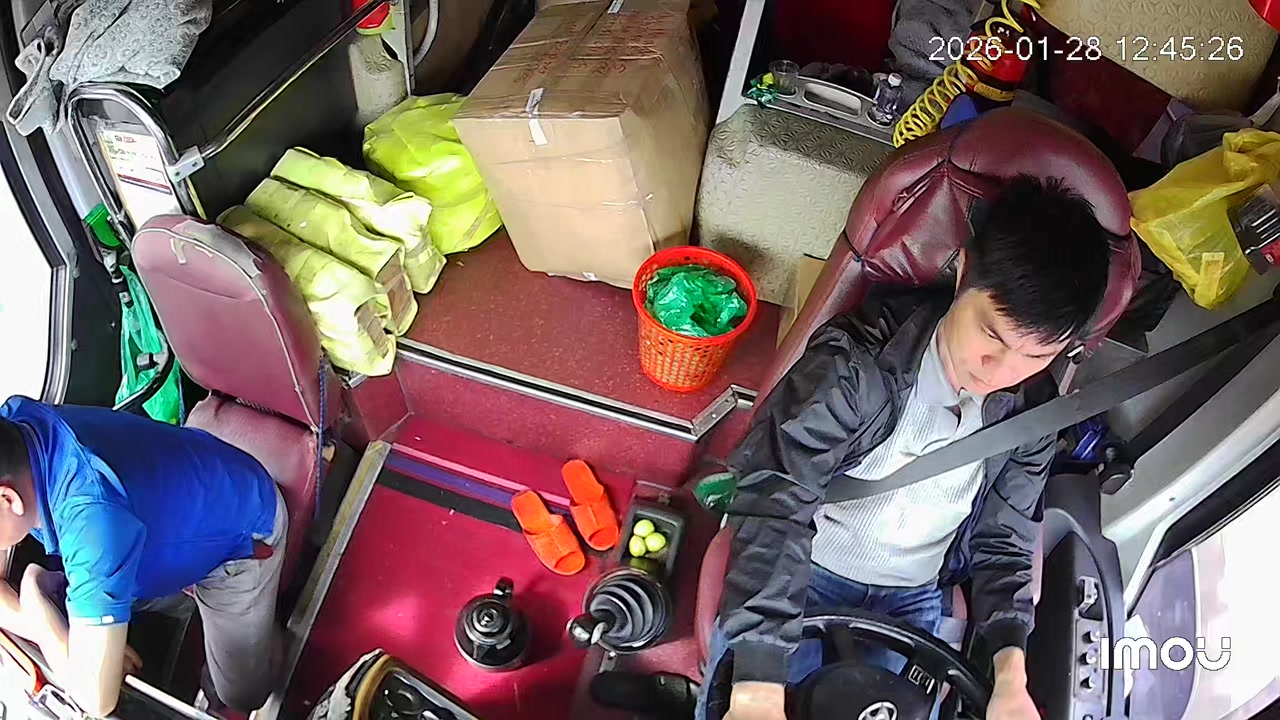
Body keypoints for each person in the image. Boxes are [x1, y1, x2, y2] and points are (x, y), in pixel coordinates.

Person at [701, 175, 1117, 720]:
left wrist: (1012, 679)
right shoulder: (857, 365)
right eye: (992, 334)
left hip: (915, 599)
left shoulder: (1032, 414)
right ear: (964, 272)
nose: (1001, 370)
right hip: (802, 571)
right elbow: (779, 495)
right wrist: (757, 686)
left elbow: (1005, 540)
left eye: (1035, 356)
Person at [0, 396, 287, 717]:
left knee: (242, 694)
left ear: (7, 498)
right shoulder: (14, 429)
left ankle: (266, 629)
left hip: (239, 538)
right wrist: (68, 643)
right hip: (163, 522)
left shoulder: (91, 518)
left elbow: (96, 700)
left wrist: (35, 605)